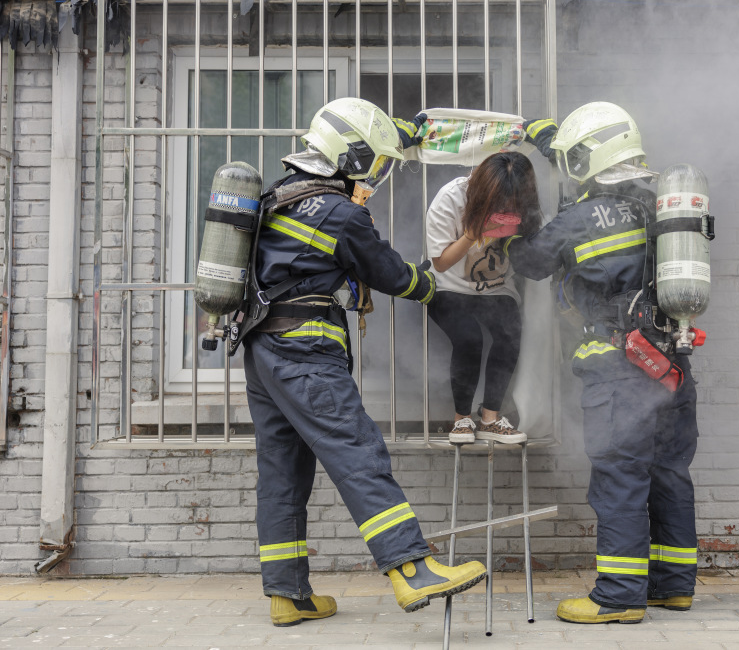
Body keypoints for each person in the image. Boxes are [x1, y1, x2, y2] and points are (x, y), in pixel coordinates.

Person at [237, 97, 486, 627]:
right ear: (350, 155)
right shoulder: (339, 212)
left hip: (262, 352)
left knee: (281, 471)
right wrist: (429, 286)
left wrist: (403, 132)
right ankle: (413, 570)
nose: (374, 173)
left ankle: (288, 595)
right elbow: (389, 273)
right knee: (357, 451)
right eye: (371, 161)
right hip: (305, 352)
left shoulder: (278, 196)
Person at [508, 103, 700, 624]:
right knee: (668, 474)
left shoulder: (582, 217)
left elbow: (530, 262)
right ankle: (673, 586)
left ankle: (617, 597)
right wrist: (545, 136)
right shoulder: (661, 202)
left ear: (590, 157)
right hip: (672, 363)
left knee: (619, 479)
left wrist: (510, 228)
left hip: (620, 372)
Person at [424, 152, 542, 444]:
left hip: (497, 286)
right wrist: (473, 234)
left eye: (512, 202)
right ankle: (461, 419)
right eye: (499, 201)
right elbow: (439, 263)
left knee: (510, 333)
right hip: (448, 285)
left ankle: (490, 418)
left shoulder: (524, 207)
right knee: (469, 338)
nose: (505, 207)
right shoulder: (451, 198)